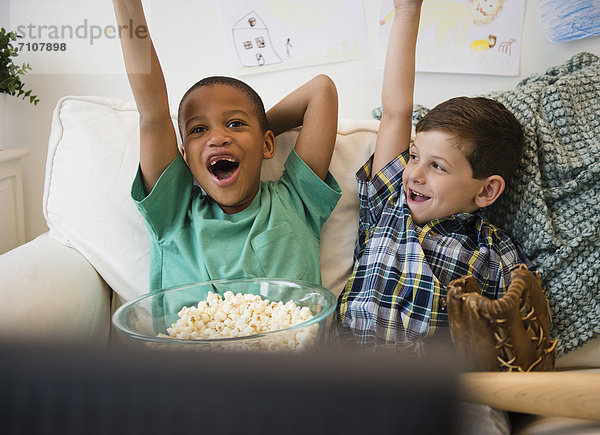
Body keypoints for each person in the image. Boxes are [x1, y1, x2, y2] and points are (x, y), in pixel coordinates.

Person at [333, 0, 532, 347]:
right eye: (413, 156)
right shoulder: (389, 206)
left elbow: (512, 340)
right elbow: (396, 112)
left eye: (437, 166)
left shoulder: (495, 253)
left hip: (433, 388)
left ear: (486, 191)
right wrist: (407, 11)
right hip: (352, 376)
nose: (414, 174)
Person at [112, 0, 341, 293]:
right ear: (184, 159)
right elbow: (153, 113)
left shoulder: (297, 202)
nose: (217, 137)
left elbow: (321, 89)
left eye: (234, 124)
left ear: (268, 144)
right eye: (198, 130)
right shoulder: (174, 214)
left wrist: (255, 136)